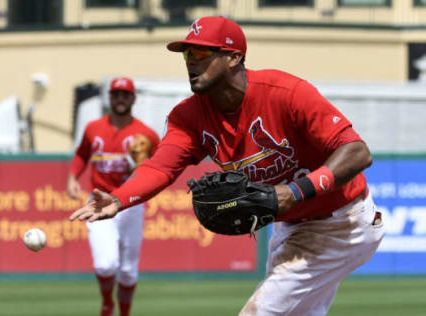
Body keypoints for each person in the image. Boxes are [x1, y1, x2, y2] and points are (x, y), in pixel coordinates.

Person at [70, 16, 385, 316]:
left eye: (200, 52)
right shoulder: (188, 117)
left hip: (344, 222)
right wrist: (119, 198)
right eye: (186, 55)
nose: (191, 61)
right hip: (292, 228)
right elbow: (160, 168)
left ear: (233, 57)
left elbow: (357, 152)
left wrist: (294, 192)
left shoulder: (286, 93)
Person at [67, 76, 160, 316]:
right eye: (116, 94)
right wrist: (72, 178)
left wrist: (144, 165)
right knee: (105, 264)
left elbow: (161, 165)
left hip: (130, 203)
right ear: (110, 98)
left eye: (125, 94)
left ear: (133, 98)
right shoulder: (94, 128)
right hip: (98, 202)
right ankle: (108, 302)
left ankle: (124, 312)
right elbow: (81, 155)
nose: (120, 99)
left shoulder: (145, 133)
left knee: (128, 270)